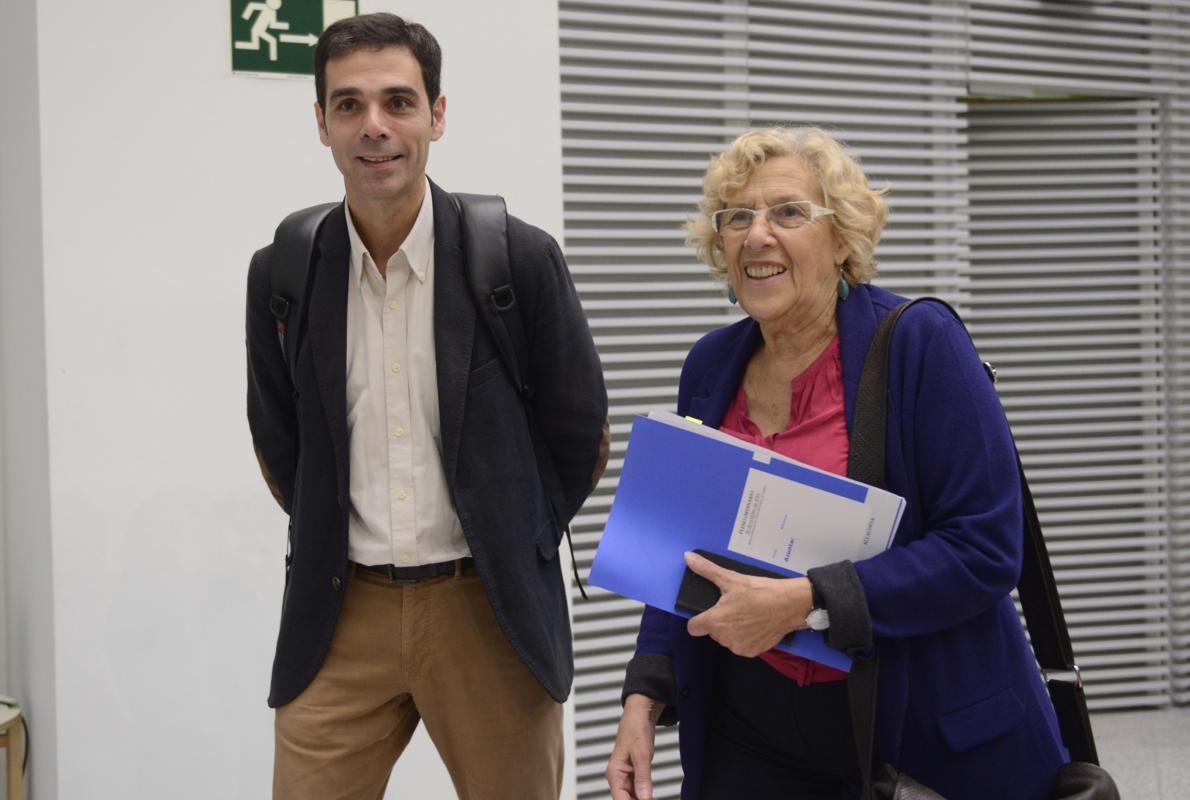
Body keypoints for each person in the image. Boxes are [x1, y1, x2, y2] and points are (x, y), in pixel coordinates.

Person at [605, 126, 1069, 800]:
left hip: (910, 729)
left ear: (843, 239)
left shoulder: (921, 344)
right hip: (748, 732)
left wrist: (807, 601)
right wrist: (644, 698)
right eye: (737, 216)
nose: (756, 236)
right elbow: (682, 553)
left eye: (789, 212)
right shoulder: (710, 367)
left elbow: (985, 549)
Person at [245, 13, 608, 800]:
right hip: (341, 613)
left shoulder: (517, 257)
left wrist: (514, 538)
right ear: (321, 123)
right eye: (348, 105)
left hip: (488, 611)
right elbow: (279, 441)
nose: (374, 127)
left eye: (398, 102)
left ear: (436, 115)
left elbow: (581, 437)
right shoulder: (284, 270)